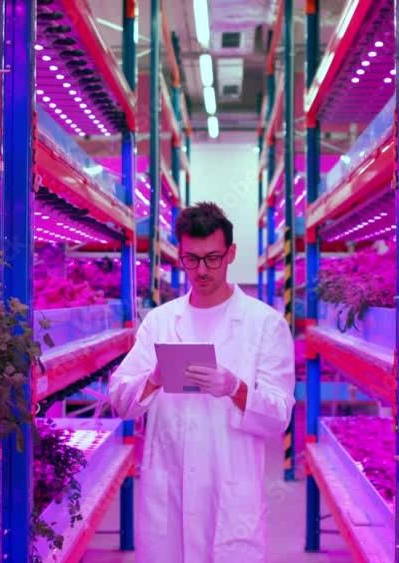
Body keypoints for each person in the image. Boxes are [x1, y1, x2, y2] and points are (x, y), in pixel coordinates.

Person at [108, 202, 296, 563]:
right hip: (169, 492)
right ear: (179, 255)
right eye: (191, 260)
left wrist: (236, 389)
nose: (202, 270)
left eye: (212, 258)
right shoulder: (160, 322)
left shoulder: (265, 325)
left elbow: (278, 418)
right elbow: (120, 400)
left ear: (231, 254)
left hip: (229, 491)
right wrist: (153, 379)